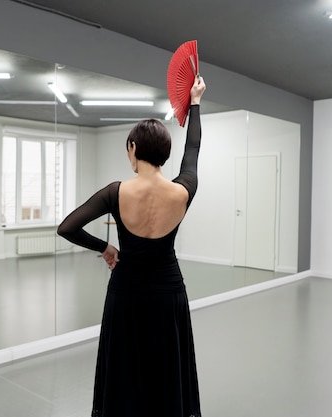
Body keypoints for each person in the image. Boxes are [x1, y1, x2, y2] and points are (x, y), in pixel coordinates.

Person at [57, 76, 206, 417]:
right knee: (167, 365)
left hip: (127, 290)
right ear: (165, 154)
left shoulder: (116, 191)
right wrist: (195, 103)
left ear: (134, 149)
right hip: (169, 290)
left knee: (125, 366)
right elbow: (194, 149)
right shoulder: (183, 190)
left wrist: (106, 248)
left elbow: (67, 227)